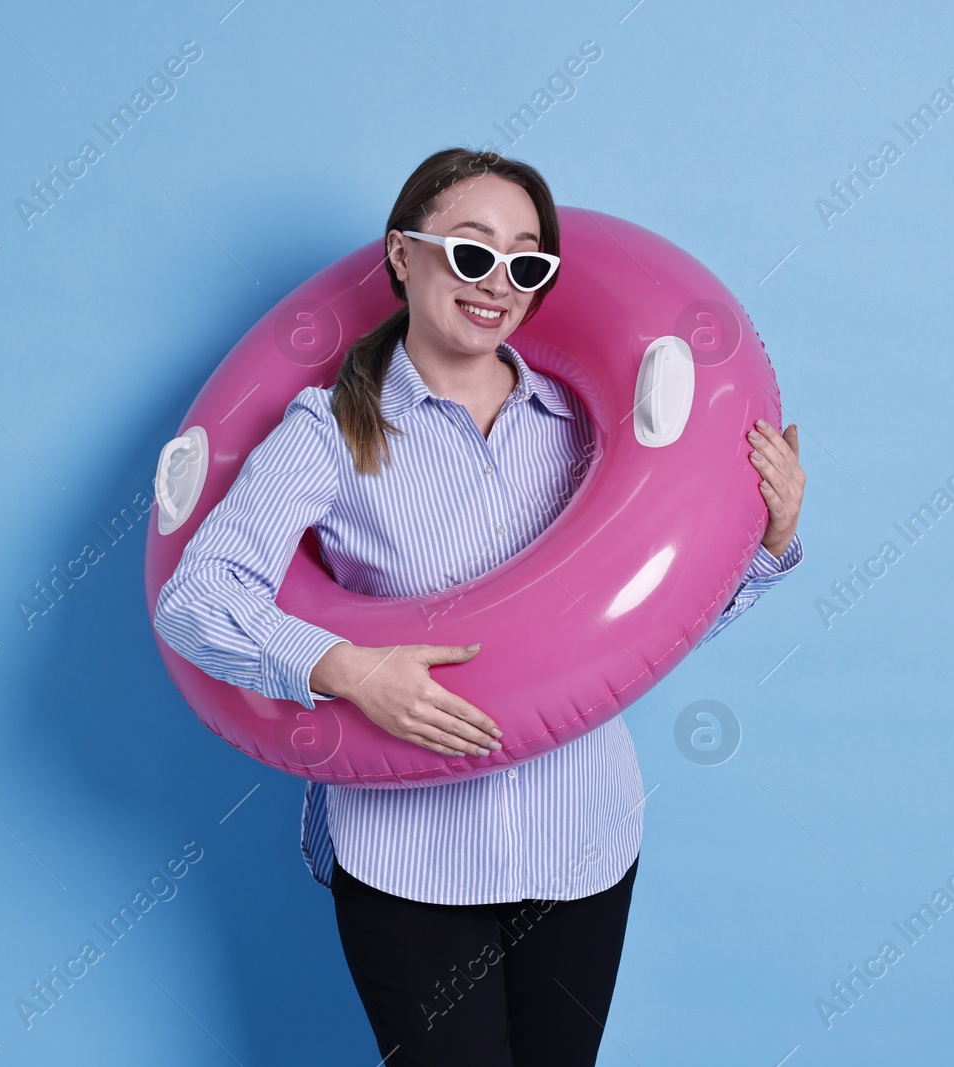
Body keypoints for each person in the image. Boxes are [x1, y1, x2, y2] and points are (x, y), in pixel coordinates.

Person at [153, 147, 806, 1067]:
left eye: (526, 262)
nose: (497, 282)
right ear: (400, 257)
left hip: (580, 839)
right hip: (410, 856)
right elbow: (197, 598)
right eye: (469, 252)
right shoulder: (330, 431)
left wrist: (766, 541)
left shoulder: (586, 427)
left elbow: (645, 627)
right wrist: (347, 666)